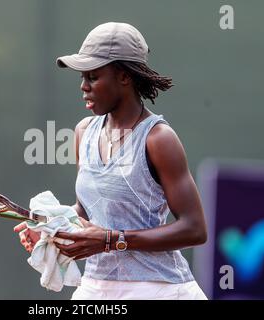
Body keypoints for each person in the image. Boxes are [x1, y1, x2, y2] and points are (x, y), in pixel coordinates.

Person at [14, 22, 208, 300]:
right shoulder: (83, 131)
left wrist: (111, 240)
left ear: (124, 77)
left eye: (93, 76)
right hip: (95, 287)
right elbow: (88, 211)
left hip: (159, 289)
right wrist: (51, 231)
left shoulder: (159, 139)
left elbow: (195, 229)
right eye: (82, 77)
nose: (83, 86)